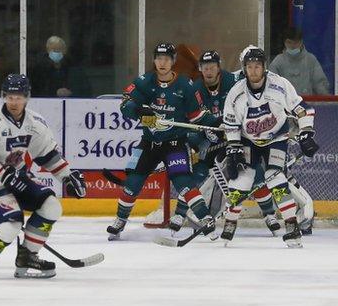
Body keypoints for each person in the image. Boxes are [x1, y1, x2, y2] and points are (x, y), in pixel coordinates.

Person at [0, 74, 86, 279]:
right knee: (11, 226)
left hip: (18, 177)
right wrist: (3, 176)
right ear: (3, 96)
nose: (14, 102)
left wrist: (67, 177)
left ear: (27, 97)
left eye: (18, 97)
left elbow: (47, 154)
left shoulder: (35, 122)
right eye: (9, 97)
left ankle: (28, 256)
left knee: (52, 206)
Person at [106, 43, 218, 240]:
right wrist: (139, 110)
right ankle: (120, 220)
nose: (162, 62)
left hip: (175, 143)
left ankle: (206, 218)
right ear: (154, 60)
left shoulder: (185, 85)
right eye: (159, 58)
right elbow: (125, 104)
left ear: (173, 61)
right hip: (148, 143)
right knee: (132, 182)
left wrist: (217, 123)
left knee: (183, 181)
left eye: (167, 59)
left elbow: (198, 116)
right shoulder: (144, 82)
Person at [170, 50, 281, 236]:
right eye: (205, 67)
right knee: (196, 175)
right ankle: (180, 214)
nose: (209, 71)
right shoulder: (194, 90)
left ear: (219, 67)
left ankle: (269, 214)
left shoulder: (233, 83)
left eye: (212, 67)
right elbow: (188, 122)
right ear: (200, 69)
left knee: (255, 173)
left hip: (235, 141)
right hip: (210, 144)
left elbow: (249, 109)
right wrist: (199, 141)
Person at [221, 46, 319, 248]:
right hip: (249, 140)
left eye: (258, 66)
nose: (254, 70)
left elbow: (302, 109)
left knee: (276, 178)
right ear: (244, 68)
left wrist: (306, 133)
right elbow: (231, 124)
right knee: (242, 180)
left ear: (264, 67)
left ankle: (291, 226)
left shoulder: (280, 85)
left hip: (276, 138)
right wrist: (234, 148)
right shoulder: (236, 93)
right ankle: (230, 223)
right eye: (250, 66)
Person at [268, 27, 330, 95]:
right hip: (285, 104)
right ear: (284, 43)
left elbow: (320, 83)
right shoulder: (278, 62)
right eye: (289, 42)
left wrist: (326, 102)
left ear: (301, 42)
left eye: (296, 43)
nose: (292, 46)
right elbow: (271, 85)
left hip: (307, 103)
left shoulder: (310, 60)